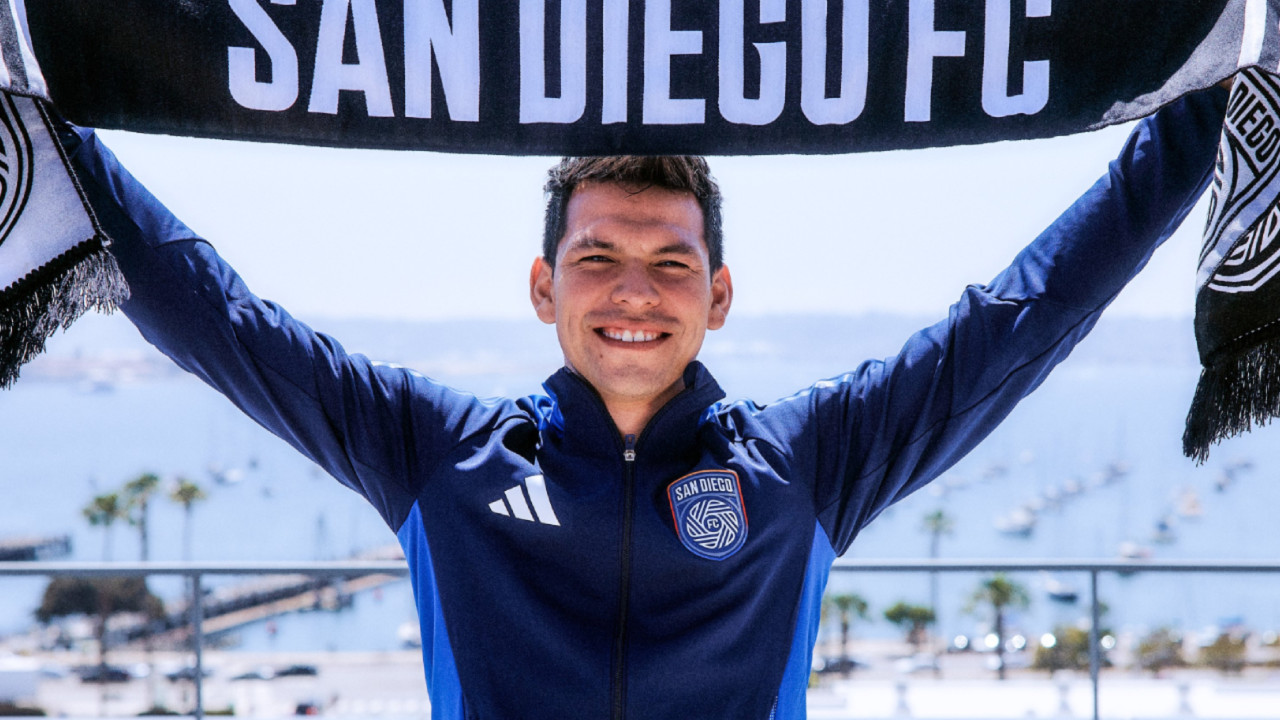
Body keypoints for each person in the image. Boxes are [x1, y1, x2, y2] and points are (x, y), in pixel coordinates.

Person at [57, 84, 1227, 719]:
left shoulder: (807, 462)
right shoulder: (433, 451)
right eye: (598, 259)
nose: (633, 293)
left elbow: (1025, 313)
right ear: (542, 287)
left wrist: (1204, 106)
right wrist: (47, 130)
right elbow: (215, 315)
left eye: (670, 262)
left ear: (717, 296)